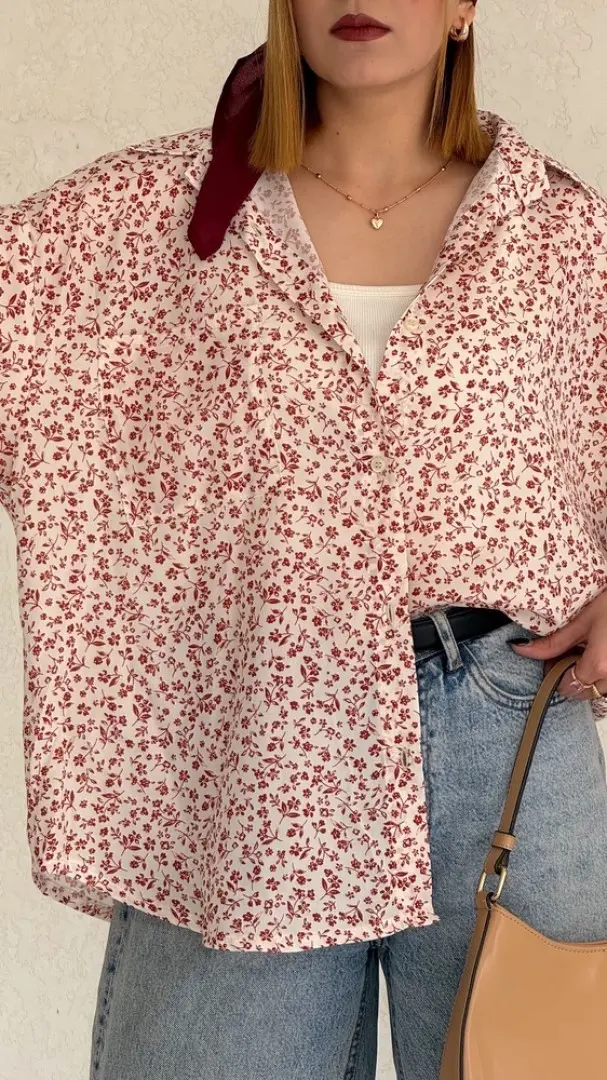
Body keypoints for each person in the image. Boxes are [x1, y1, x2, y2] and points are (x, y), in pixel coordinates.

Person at [2, 2, 607, 1078]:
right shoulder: (149, 214)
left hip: (509, 730)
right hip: (244, 742)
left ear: (463, 7)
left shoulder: (557, 233)